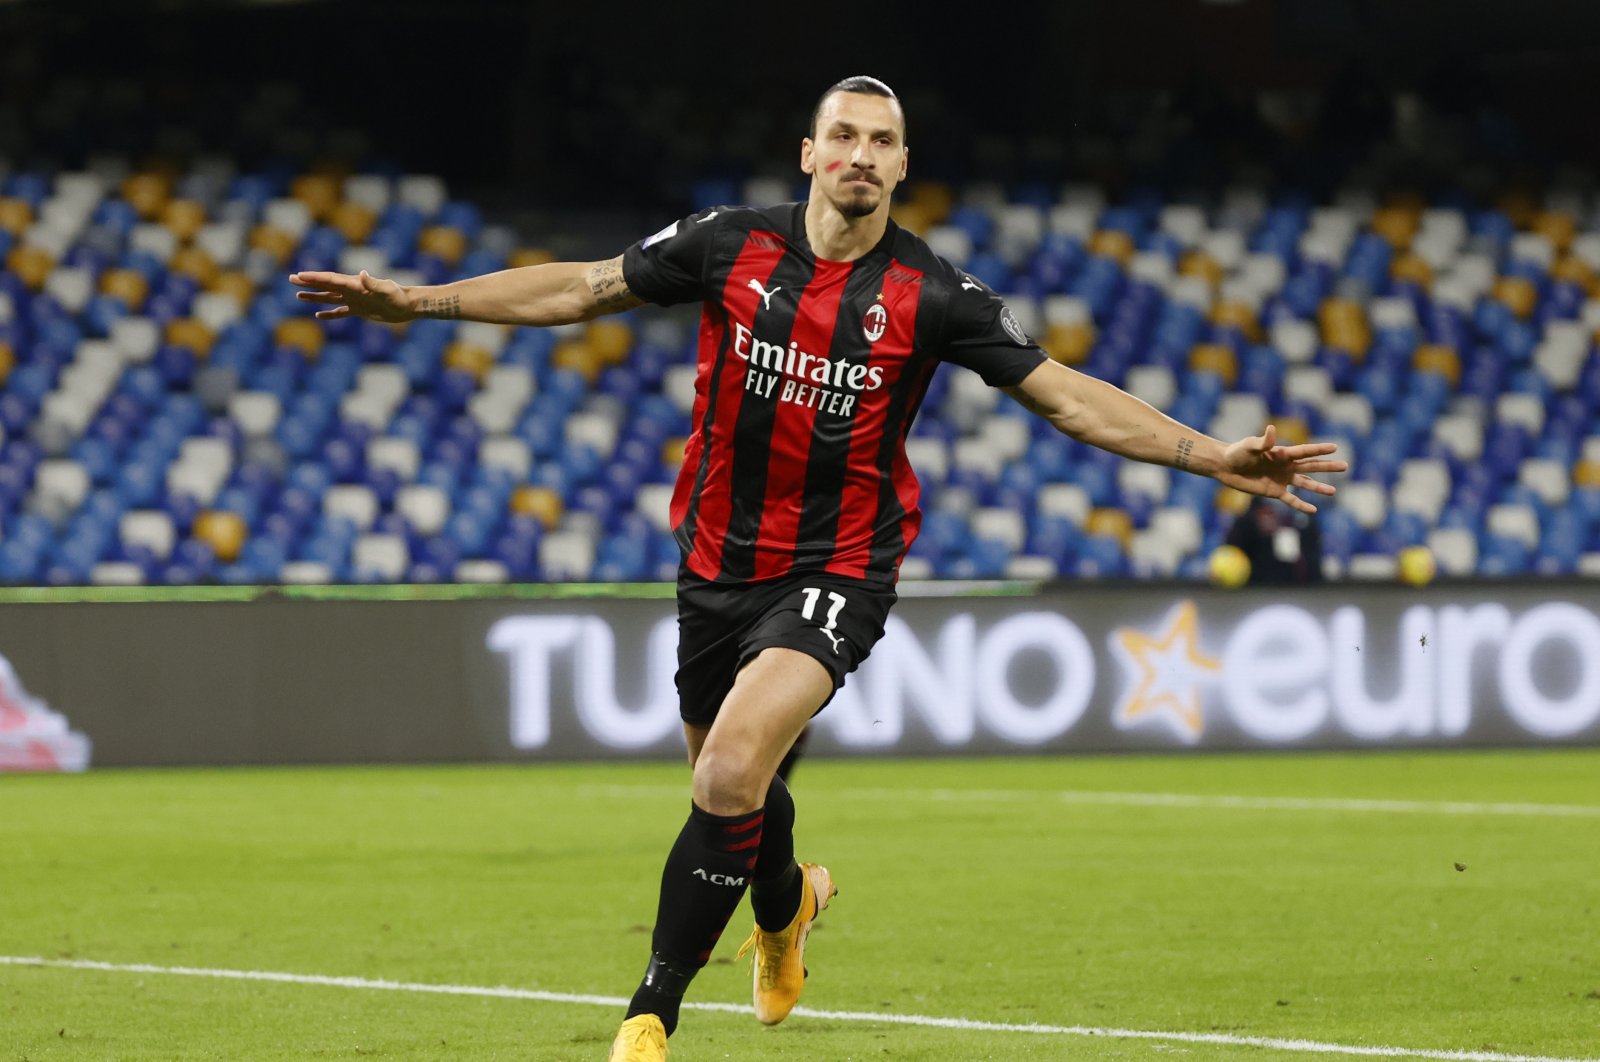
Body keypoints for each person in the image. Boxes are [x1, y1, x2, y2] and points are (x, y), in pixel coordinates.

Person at [290, 75, 1346, 1061]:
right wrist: (416, 302)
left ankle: (647, 1017)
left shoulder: (932, 294)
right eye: (842, 135)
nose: (861, 154)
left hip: (842, 563)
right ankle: (788, 903)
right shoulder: (725, 245)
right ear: (807, 154)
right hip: (714, 564)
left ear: (900, 166)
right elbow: (578, 288)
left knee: (727, 768)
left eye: (881, 141)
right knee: (734, 787)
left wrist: (1213, 455)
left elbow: (1065, 394)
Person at [1227, 495, 1324, 584]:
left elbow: (1312, 551)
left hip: (1294, 586)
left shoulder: (1303, 513)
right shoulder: (1249, 517)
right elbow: (1234, 548)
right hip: (1256, 586)